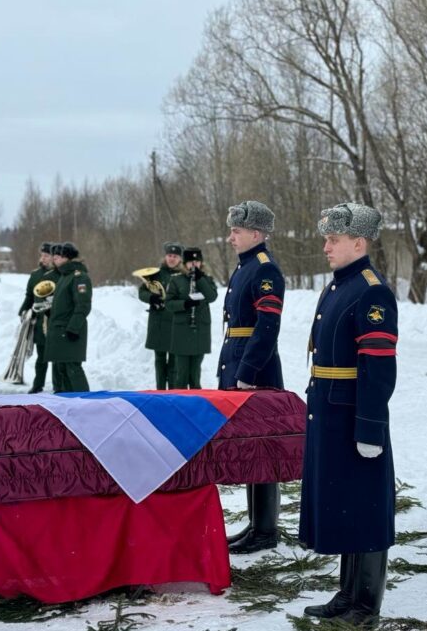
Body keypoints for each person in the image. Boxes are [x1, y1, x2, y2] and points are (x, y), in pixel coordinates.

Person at [299, 203, 398, 627]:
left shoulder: (371, 290)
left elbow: (377, 367)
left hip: (355, 415)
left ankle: (367, 602)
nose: (326, 247)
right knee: (345, 505)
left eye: (333, 240)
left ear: (358, 242)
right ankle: (347, 592)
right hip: (330, 410)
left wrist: (371, 427)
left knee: (367, 506)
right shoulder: (341, 286)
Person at [218, 200, 285, 554]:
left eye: (237, 231)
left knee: (263, 448)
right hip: (238, 364)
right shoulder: (245, 266)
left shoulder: (264, 270)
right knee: (249, 447)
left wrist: (247, 373)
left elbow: (267, 326)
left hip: (254, 371)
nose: (231, 237)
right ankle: (256, 524)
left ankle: (267, 529)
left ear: (256, 234)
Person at [164, 247, 218, 389]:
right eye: (190, 262)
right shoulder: (177, 280)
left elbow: (212, 297)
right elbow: (168, 303)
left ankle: (195, 405)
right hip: (182, 332)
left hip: (200, 332)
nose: (194, 265)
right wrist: (185, 304)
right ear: (185, 263)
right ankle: (179, 404)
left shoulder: (207, 279)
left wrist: (200, 279)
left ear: (201, 263)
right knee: (181, 375)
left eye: (197, 261)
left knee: (195, 376)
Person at [46, 242, 92, 393]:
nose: (54, 260)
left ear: (67, 258)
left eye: (57, 257)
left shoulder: (79, 277)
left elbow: (83, 305)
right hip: (58, 331)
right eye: (54, 257)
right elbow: (65, 304)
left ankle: (85, 404)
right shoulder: (63, 276)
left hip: (69, 331)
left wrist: (73, 328)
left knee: (72, 369)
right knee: (59, 370)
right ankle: (61, 403)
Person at [138, 242, 184, 389]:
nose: (172, 259)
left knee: (174, 361)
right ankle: (160, 390)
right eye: (169, 255)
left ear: (180, 258)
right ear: (165, 257)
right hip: (158, 322)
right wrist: (151, 298)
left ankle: (172, 392)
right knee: (159, 360)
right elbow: (142, 292)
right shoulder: (155, 274)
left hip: (176, 322)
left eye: (175, 256)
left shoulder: (184, 275)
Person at [18, 242, 56, 393]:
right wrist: (23, 311)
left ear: (54, 257)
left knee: (56, 358)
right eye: (42, 255)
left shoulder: (59, 275)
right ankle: (38, 385)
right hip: (39, 322)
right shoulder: (35, 275)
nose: (43, 258)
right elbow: (29, 296)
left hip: (54, 321)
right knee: (41, 357)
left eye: (46, 255)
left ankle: (58, 385)